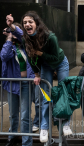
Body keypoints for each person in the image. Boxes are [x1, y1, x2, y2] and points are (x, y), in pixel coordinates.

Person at [20, 11, 72, 143]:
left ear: (37, 24)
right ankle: (44, 127)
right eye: (25, 22)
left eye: (30, 22)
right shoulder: (25, 39)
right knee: (46, 96)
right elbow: (31, 59)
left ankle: (66, 123)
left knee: (63, 92)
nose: (27, 24)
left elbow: (54, 58)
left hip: (60, 63)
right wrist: (36, 75)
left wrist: (40, 53)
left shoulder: (50, 37)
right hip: (46, 66)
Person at [1, 14, 34, 146]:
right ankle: (11, 136)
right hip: (12, 84)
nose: (14, 35)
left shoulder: (27, 46)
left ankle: (27, 142)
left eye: (15, 33)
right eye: (11, 33)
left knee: (25, 115)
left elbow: (22, 35)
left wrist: (13, 28)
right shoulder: (9, 47)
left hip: (26, 84)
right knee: (13, 114)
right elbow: (4, 56)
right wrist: (9, 38)